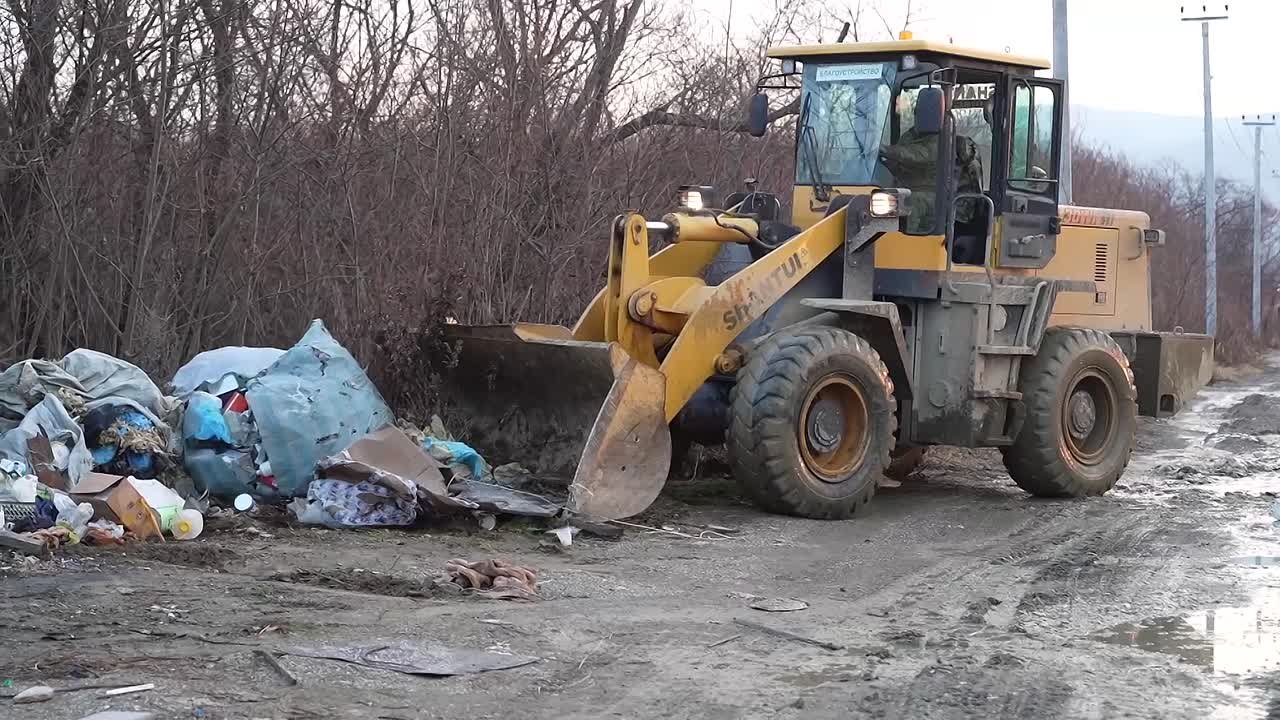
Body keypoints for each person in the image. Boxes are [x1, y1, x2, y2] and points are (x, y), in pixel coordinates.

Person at [880, 99, 985, 238]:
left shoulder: (945, 139)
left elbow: (919, 154)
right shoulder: (911, 136)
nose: (917, 118)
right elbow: (901, 166)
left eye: (923, 114)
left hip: (948, 199)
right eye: (916, 113)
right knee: (881, 199)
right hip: (918, 191)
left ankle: (908, 244)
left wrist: (883, 149)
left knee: (912, 202)